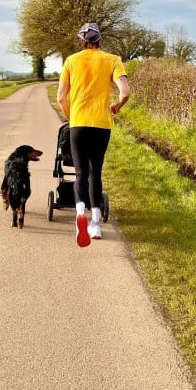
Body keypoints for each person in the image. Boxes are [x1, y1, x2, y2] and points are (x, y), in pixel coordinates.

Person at [57, 22, 130, 247]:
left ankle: (80, 213)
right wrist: (117, 105)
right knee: (95, 172)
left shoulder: (71, 61)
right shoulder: (113, 60)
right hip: (101, 124)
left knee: (80, 173)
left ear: (82, 40)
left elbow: (61, 97)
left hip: (78, 124)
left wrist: (72, 118)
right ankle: (95, 225)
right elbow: (125, 92)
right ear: (100, 39)